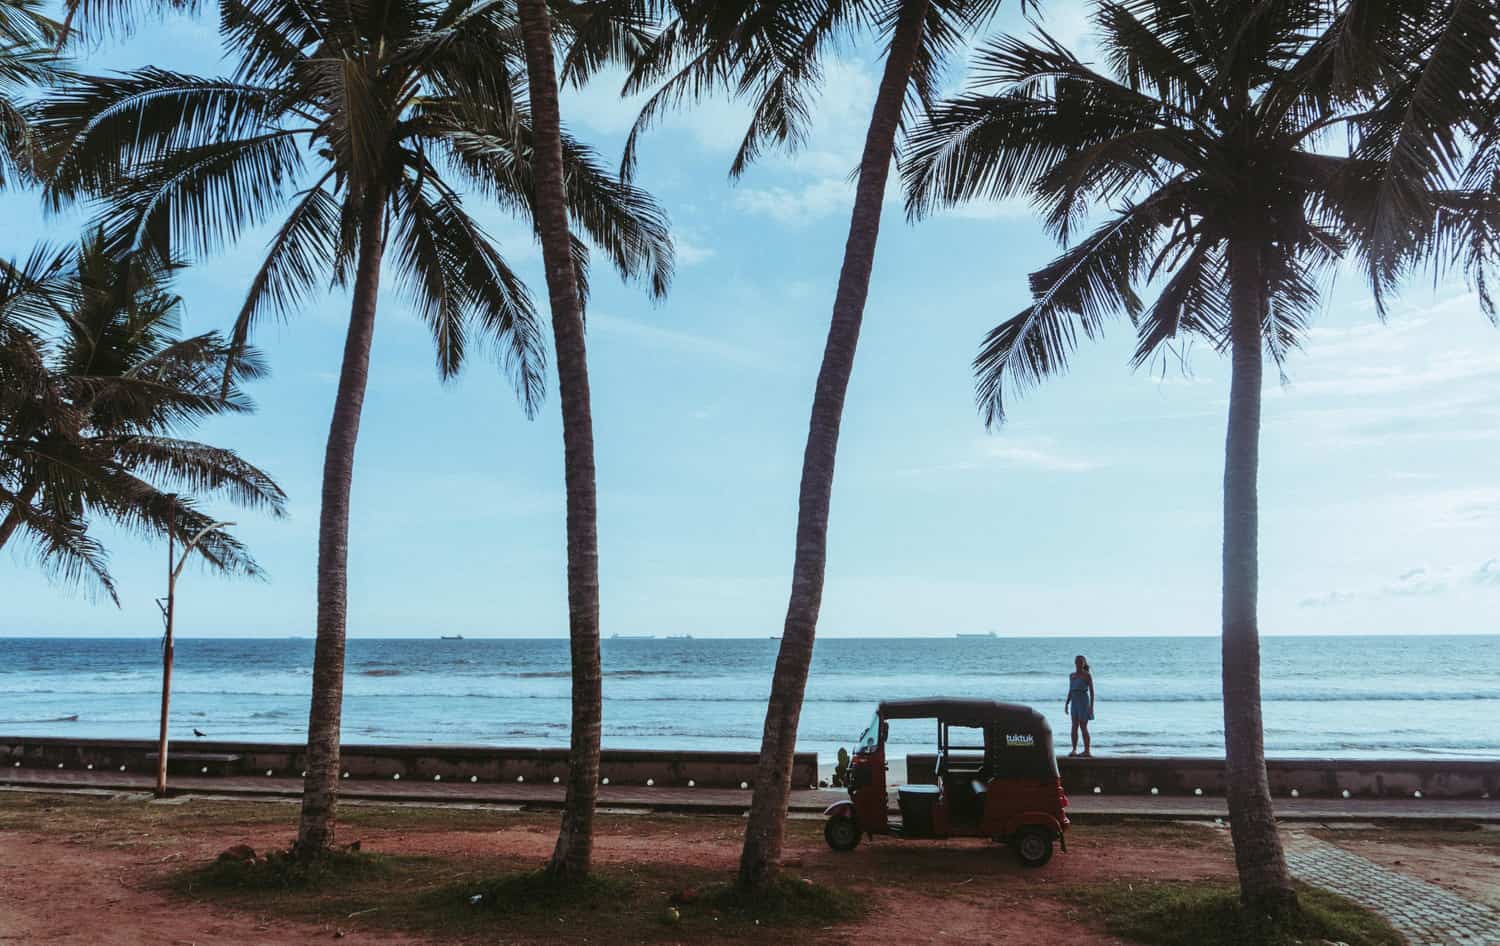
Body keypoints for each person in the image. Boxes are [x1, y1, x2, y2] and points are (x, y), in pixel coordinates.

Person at [1065, 655, 1095, 757]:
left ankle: (1087, 750)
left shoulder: (1087, 675)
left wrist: (1091, 707)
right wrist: (1067, 703)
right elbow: (1070, 690)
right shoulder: (1071, 675)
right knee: (1074, 726)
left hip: (1083, 702)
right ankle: (1074, 749)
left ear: (1084, 663)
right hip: (1074, 702)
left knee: (1083, 727)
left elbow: (1092, 692)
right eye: (1077, 661)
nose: (1078, 663)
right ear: (1075, 663)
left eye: (1081, 662)